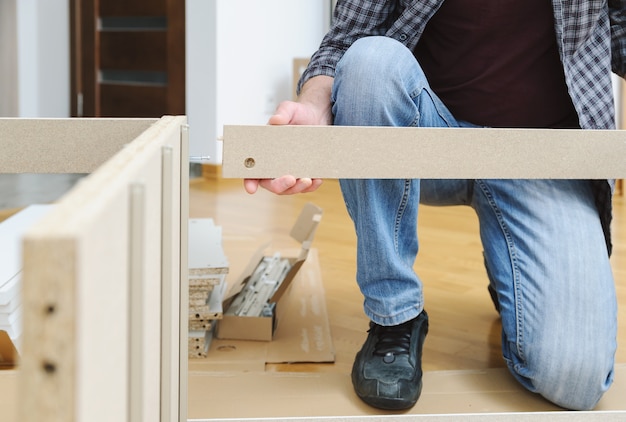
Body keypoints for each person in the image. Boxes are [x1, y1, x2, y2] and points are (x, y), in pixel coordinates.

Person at [244, 0, 626, 412]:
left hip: (543, 156)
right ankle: (395, 314)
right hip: (427, 138)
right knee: (370, 61)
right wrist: (315, 109)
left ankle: (508, 263)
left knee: (575, 380)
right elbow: (344, 42)